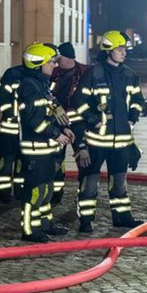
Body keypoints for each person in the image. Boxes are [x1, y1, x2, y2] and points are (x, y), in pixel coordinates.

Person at [70, 30, 144, 233]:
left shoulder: (130, 75)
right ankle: (86, 221)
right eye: (119, 49)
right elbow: (78, 102)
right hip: (96, 143)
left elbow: (138, 101)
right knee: (90, 184)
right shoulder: (94, 74)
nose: (123, 53)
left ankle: (122, 218)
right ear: (108, 50)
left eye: (124, 50)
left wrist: (132, 118)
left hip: (121, 144)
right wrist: (92, 118)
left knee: (120, 184)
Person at [15, 43, 74, 241]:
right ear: (37, 63)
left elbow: (50, 113)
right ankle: (30, 230)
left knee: (47, 190)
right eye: (50, 62)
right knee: (35, 191)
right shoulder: (28, 87)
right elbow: (33, 120)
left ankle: (45, 224)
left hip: (47, 149)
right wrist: (55, 134)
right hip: (35, 150)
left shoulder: (42, 85)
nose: (54, 65)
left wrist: (64, 128)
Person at [46, 42, 88, 205]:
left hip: (79, 125)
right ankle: (56, 194)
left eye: (58, 57)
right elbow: (47, 94)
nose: (55, 61)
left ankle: (84, 195)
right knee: (56, 159)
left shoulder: (85, 72)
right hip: (57, 124)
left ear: (66, 57)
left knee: (84, 159)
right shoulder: (52, 73)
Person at [0, 58, 29, 203]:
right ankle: (3, 193)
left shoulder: (38, 76)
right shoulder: (12, 74)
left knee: (22, 162)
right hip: (10, 129)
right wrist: (13, 115)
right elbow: (2, 98)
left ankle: (19, 191)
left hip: (27, 131)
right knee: (6, 161)